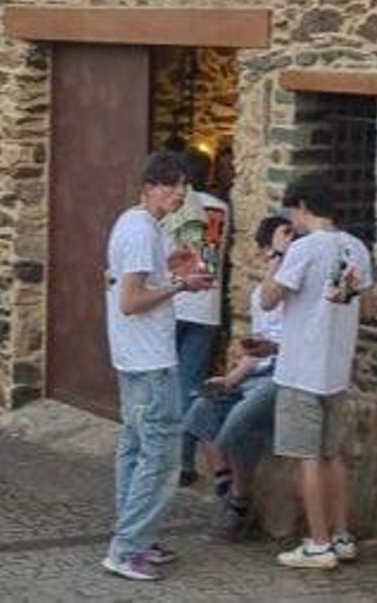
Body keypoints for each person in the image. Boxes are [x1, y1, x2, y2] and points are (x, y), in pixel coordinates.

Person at [100, 151, 215, 582]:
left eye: (183, 185)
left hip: (136, 356)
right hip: (150, 360)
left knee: (135, 449)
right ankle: (128, 548)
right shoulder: (139, 230)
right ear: (149, 187)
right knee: (162, 458)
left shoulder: (142, 226)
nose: (179, 193)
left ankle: (136, 536)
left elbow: (139, 281)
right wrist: (180, 286)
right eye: (171, 185)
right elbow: (131, 301)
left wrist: (179, 272)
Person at [259, 173, 373, 571]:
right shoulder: (356, 247)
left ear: (303, 206)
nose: (292, 219)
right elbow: (367, 307)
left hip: (300, 368)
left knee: (306, 457)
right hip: (336, 367)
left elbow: (269, 299)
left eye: (293, 211)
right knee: (333, 455)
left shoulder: (303, 249)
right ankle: (341, 535)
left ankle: (318, 543)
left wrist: (276, 255)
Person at [182, 216, 289, 541]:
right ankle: (225, 489)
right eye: (275, 251)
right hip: (257, 373)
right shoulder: (260, 296)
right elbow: (256, 353)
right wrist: (230, 379)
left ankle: (239, 502)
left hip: (282, 376)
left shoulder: (296, 293)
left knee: (240, 421)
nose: (280, 258)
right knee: (204, 407)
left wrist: (271, 350)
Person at [162, 148, 230, 485]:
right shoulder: (221, 208)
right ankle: (185, 461)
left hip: (173, 301)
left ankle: (168, 458)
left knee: (164, 382)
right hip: (206, 307)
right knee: (190, 387)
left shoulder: (173, 208)